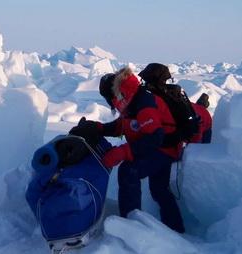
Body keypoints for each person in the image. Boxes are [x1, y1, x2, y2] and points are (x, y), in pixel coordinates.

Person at [74, 67, 185, 233]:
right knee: (159, 189)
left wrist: (123, 152)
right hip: (159, 148)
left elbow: (154, 136)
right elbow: (125, 126)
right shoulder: (131, 98)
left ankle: (130, 227)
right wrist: (98, 128)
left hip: (164, 148)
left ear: (113, 94)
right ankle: (176, 230)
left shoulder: (143, 102)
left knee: (129, 170)